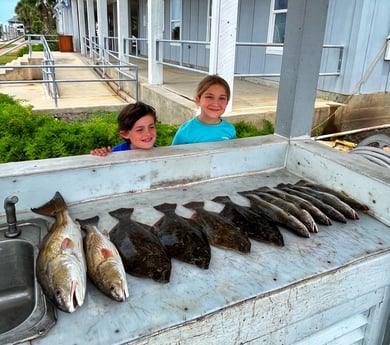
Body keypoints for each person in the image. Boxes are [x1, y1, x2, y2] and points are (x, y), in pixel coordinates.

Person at [171, 75, 236, 145]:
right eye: (209, 97)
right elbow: (174, 155)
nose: (215, 104)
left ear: (227, 102)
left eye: (222, 98)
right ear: (198, 100)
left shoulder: (229, 129)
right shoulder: (185, 132)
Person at [90, 101, 157, 156]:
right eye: (140, 130)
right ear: (125, 134)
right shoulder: (116, 154)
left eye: (151, 127)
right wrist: (101, 156)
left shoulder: (162, 154)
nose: (148, 133)